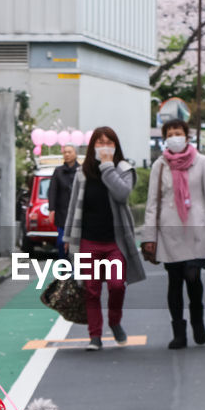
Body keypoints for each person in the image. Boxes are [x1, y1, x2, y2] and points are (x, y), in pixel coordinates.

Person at [141, 119, 205, 349]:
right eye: (170, 133)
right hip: (169, 231)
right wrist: (149, 237)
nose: (174, 137)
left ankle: (198, 322)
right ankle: (178, 332)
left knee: (193, 276)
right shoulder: (159, 166)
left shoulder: (200, 163)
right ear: (165, 139)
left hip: (195, 228)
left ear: (187, 136)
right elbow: (152, 203)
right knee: (174, 281)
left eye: (178, 133)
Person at [63, 127, 146, 350]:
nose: (104, 146)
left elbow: (122, 194)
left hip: (115, 242)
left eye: (109, 142)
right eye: (99, 142)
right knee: (91, 289)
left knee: (117, 285)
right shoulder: (83, 173)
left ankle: (115, 321)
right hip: (88, 239)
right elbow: (74, 206)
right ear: (92, 147)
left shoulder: (123, 169)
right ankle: (95, 336)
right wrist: (69, 235)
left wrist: (108, 166)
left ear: (116, 146)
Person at [45, 144, 79, 257]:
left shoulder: (81, 171)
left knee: (77, 243)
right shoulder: (58, 171)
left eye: (70, 152)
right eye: (65, 152)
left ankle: (77, 269)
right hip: (62, 213)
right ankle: (64, 269)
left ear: (75, 153)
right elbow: (52, 191)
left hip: (78, 213)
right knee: (61, 242)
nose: (67, 154)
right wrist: (51, 209)